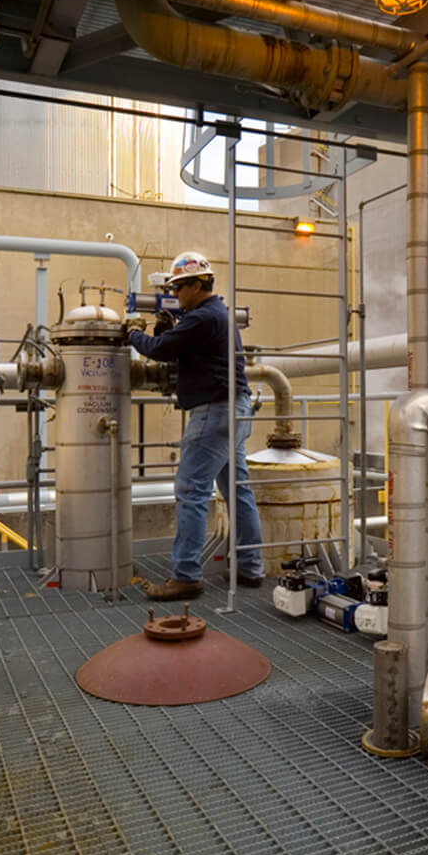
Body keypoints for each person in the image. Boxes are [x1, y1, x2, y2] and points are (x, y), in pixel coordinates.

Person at [125, 251, 264, 600]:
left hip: (213, 412)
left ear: (199, 284)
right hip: (234, 410)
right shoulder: (217, 315)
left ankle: (186, 575)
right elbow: (179, 346)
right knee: (238, 490)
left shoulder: (203, 317)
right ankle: (251, 568)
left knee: (191, 492)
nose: (174, 294)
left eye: (178, 288)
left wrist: (133, 333)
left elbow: (158, 350)